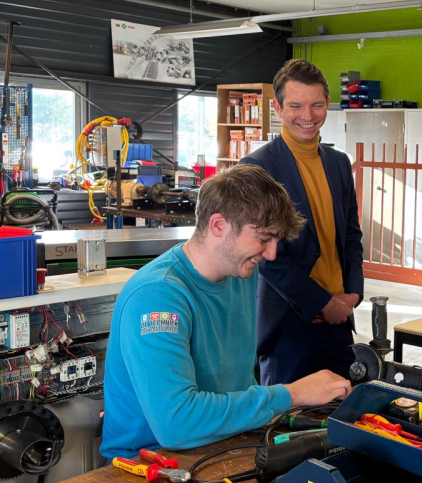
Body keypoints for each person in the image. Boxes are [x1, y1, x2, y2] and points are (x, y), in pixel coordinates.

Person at [101, 165, 353, 459]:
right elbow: (176, 424)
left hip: (225, 441)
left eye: (276, 241)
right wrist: (292, 394)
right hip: (147, 460)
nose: (271, 254)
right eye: (263, 239)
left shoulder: (240, 274)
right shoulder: (157, 297)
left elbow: (239, 383)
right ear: (218, 225)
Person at [241, 59, 364, 385]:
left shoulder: (339, 163)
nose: (307, 116)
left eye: (317, 105)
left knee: (343, 408)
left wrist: (352, 293)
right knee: (287, 415)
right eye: (295, 106)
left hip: (339, 319)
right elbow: (265, 256)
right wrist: (321, 302)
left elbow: (351, 236)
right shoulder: (257, 168)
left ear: (327, 104)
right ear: (278, 108)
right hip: (288, 324)